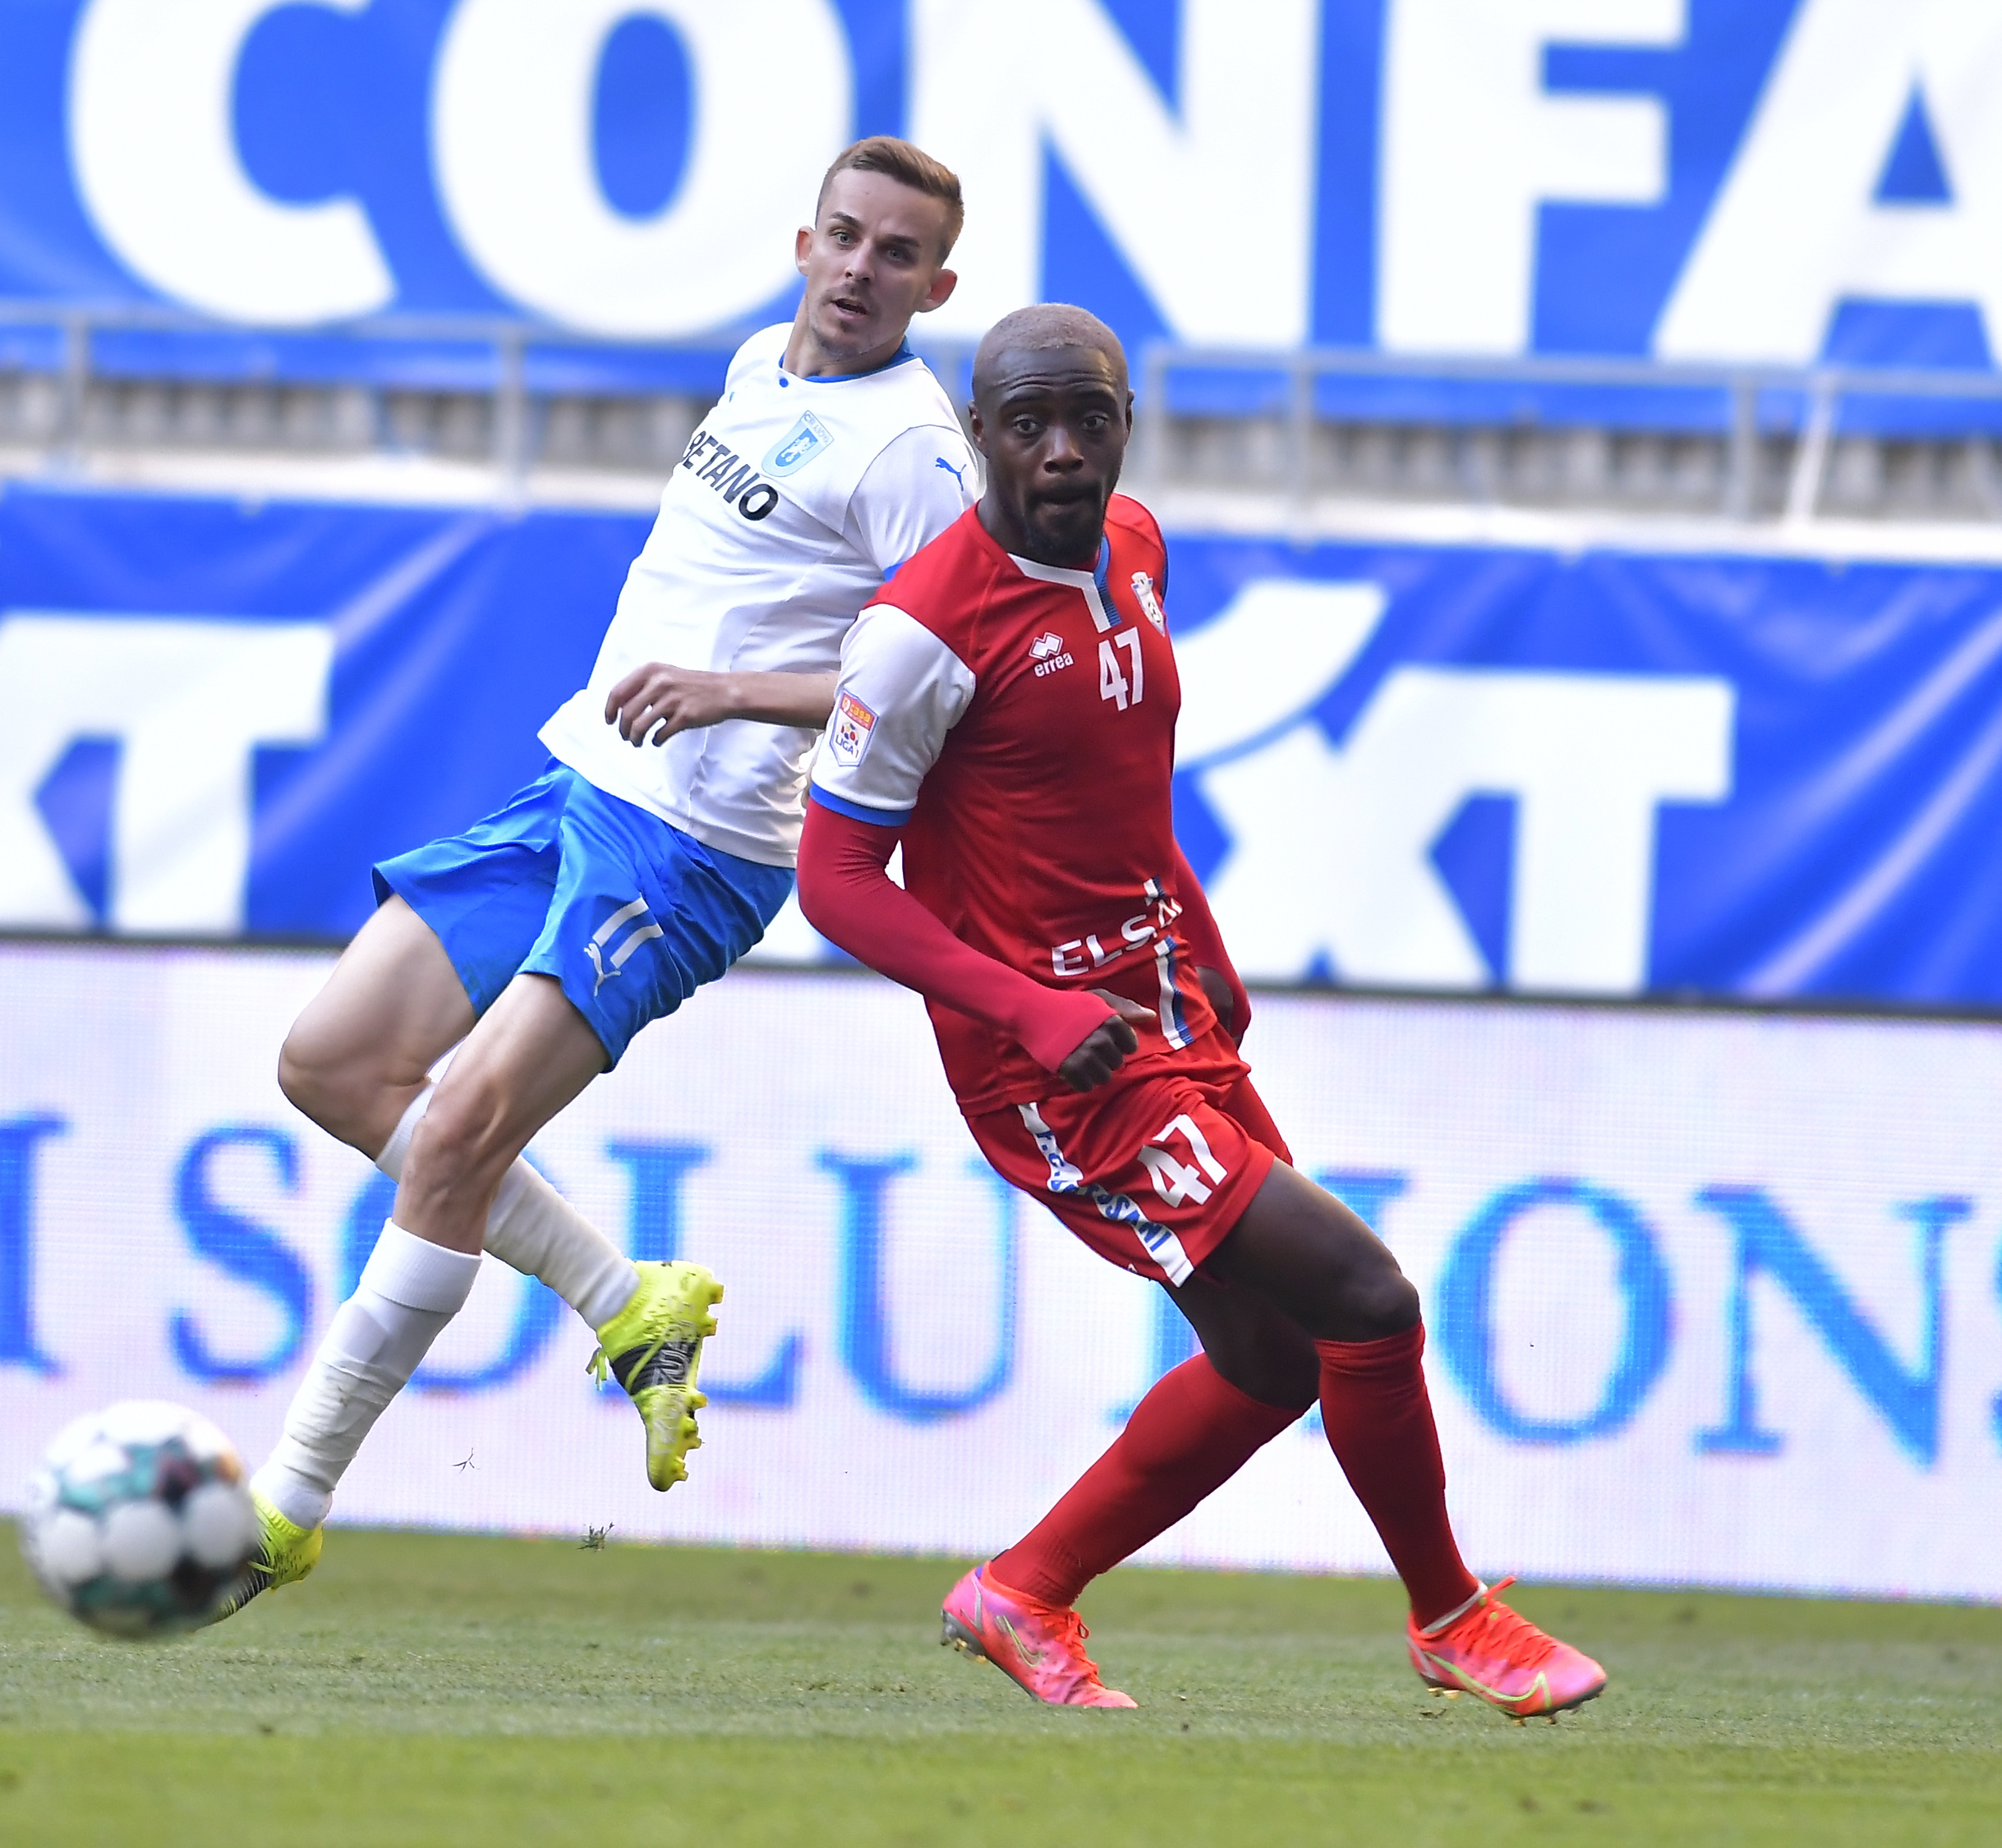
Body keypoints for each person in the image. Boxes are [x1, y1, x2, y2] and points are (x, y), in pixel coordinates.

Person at [794, 303, 1606, 1719]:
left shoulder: (1139, 552)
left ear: (1125, 424)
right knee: (1365, 1296)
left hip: (1162, 1010)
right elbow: (837, 881)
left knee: (1271, 1354)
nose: (1061, 451)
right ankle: (1453, 1616)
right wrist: (1031, 1014)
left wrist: (1202, 944)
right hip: (1055, 1066)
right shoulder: (920, 630)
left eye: (1089, 420)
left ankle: (1025, 1588)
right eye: (1027, 423)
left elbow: (1118, 793)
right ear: (978, 435)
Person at [214, 137, 983, 1618]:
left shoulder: (912, 455)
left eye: (896, 256)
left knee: (455, 1137)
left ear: (935, 285)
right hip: (585, 779)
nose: (858, 270)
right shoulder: (766, 357)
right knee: (332, 1063)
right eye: (843, 236)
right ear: (803, 238)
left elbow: (944, 683)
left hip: (697, 844)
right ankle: (629, 1303)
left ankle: (290, 1502)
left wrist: (732, 693)